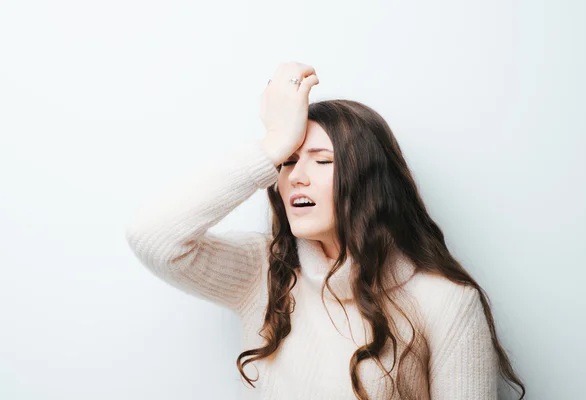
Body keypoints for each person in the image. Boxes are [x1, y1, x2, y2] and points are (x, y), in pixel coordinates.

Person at [125, 62, 525, 400]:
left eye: (321, 161)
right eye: (287, 162)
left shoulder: (446, 301)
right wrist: (272, 143)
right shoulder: (263, 272)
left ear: (367, 179)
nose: (295, 177)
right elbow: (152, 237)